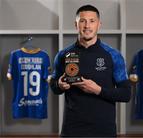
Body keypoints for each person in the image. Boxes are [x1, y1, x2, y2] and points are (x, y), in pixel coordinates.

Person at [50, 4, 131, 137]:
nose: (87, 26)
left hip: (104, 130)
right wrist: (59, 85)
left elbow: (126, 94)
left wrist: (97, 90)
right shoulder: (63, 55)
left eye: (92, 21)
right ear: (76, 25)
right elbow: (53, 87)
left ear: (99, 24)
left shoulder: (113, 55)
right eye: (82, 21)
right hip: (72, 129)